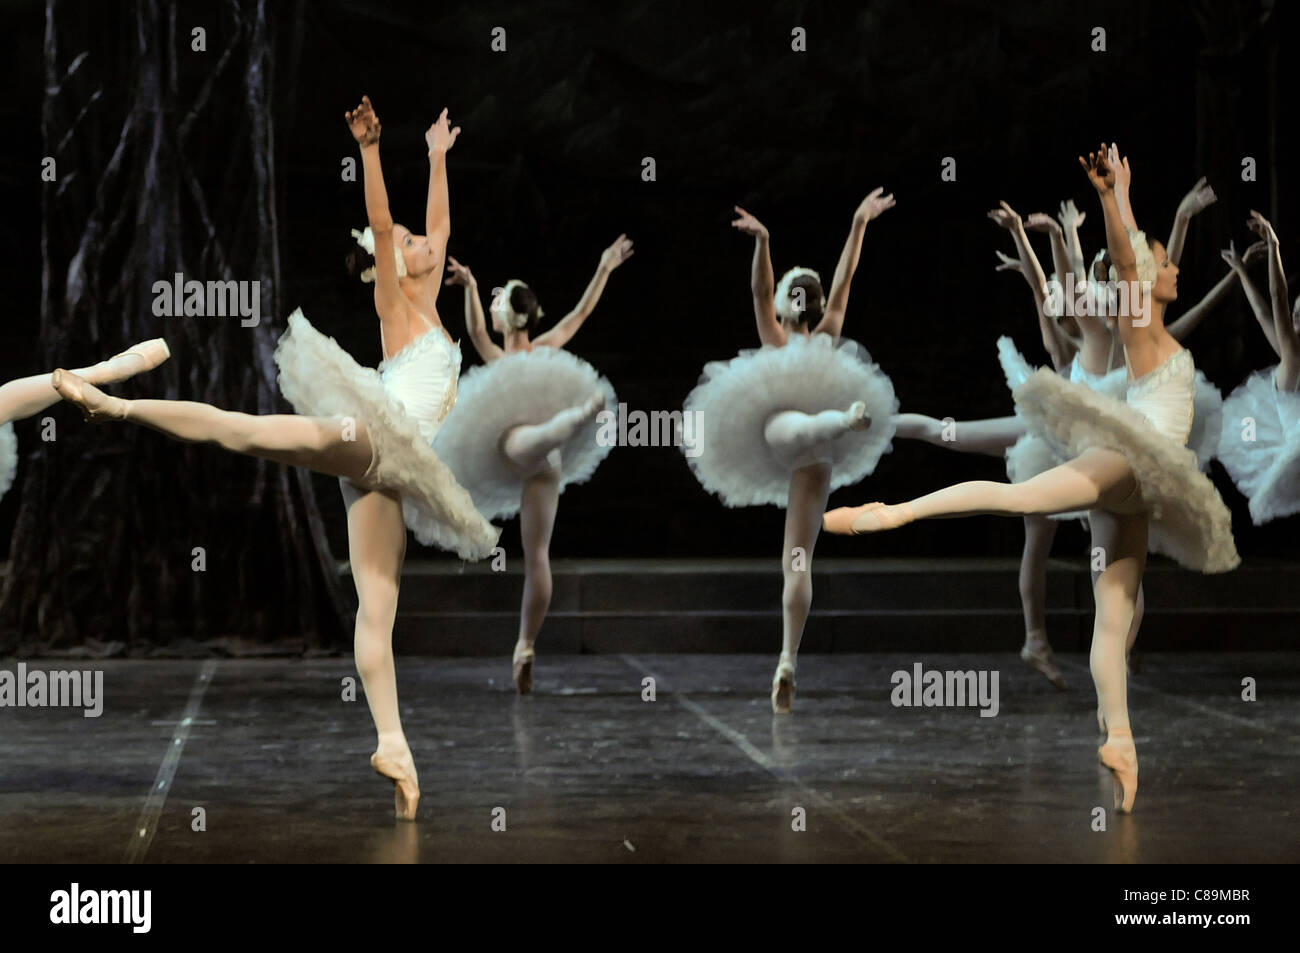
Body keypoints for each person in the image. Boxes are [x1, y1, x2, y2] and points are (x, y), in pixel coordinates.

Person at [52, 97, 501, 822]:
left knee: (377, 609)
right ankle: (119, 406)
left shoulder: (433, 306)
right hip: (374, 436)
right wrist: (373, 151)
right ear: (396, 263)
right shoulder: (397, 299)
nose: (428, 244)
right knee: (250, 431)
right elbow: (388, 225)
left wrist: (441, 156)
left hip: (391, 471)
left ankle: (395, 746)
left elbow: (441, 225)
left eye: (424, 243)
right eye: (416, 244)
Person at [825, 146, 1240, 813]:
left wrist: (1118, 217)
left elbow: (1136, 266)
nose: (1174, 267)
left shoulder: (1162, 333)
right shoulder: (1138, 330)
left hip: (1141, 479)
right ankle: (892, 512)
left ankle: (1122, 740)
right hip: (1129, 463)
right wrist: (1114, 198)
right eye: (1169, 260)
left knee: (1116, 614)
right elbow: (1128, 262)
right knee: (1031, 512)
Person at [683, 189, 898, 712]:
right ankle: (788, 658)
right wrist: (857, 223)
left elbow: (759, 292)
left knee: (790, 431)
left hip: (786, 435)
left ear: (787, 304)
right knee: (800, 560)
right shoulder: (827, 333)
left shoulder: (775, 339)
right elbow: (845, 279)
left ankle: (784, 662)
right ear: (817, 304)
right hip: (819, 455)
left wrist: (763, 243)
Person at [437, 234, 633, 692]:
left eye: (496, 300)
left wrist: (604, 268)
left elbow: (481, 334)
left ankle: (525, 646)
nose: (491, 306)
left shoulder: (510, 354)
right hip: (541, 460)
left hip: (531, 457)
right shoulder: (535, 350)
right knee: (537, 550)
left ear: (509, 314)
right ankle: (524, 645)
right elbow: (574, 315)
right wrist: (469, 287)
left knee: (535, 547)